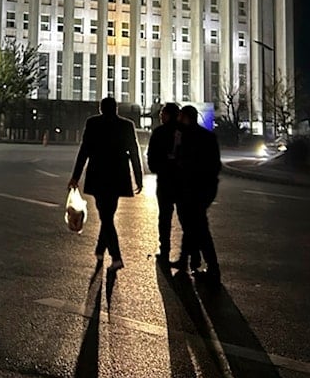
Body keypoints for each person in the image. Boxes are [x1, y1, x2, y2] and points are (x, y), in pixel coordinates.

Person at [69, 96, 143, 271]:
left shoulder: (93, 123)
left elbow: (84, 150)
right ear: (116, 109)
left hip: (99, 174)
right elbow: (134, 152)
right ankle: (100, 250)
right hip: (118, 176)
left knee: (106, 216)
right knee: (108, 214)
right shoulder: (127, 125)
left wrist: (75, 177)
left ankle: (116, 257)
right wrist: (138, 178)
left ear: (101, 109)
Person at [174, 105, 223, 285]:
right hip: (202, 189)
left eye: (181, 117)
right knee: (192, 226)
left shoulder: (186, 136)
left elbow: (180, 161)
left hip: (192, 189)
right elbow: (215, 165)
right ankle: (187, 260)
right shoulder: (207, 136)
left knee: (199, 228)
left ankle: (212, 267)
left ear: (186, 118)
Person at [145, 102, 182, 264]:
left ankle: (165, 250)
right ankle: (190, 257)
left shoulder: (159, 132)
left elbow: (151, 155)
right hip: (183, 180)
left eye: (162, 113)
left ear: (168, 115)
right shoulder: (186, 131)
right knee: (187, 219)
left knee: (165, 217)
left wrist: (157, 167)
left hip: (166, 179)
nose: (160, 116)